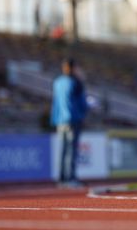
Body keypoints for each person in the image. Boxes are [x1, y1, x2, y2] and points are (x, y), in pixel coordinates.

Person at [50, 57, 88, 186]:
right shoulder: (75, 82)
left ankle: (61, 179)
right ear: (73, 68)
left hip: (60, 120)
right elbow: (82, 102)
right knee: (71, 150)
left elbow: (56, 102)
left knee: (63, 149)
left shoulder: (57, 82)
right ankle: (70, 178)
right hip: (73, 119)